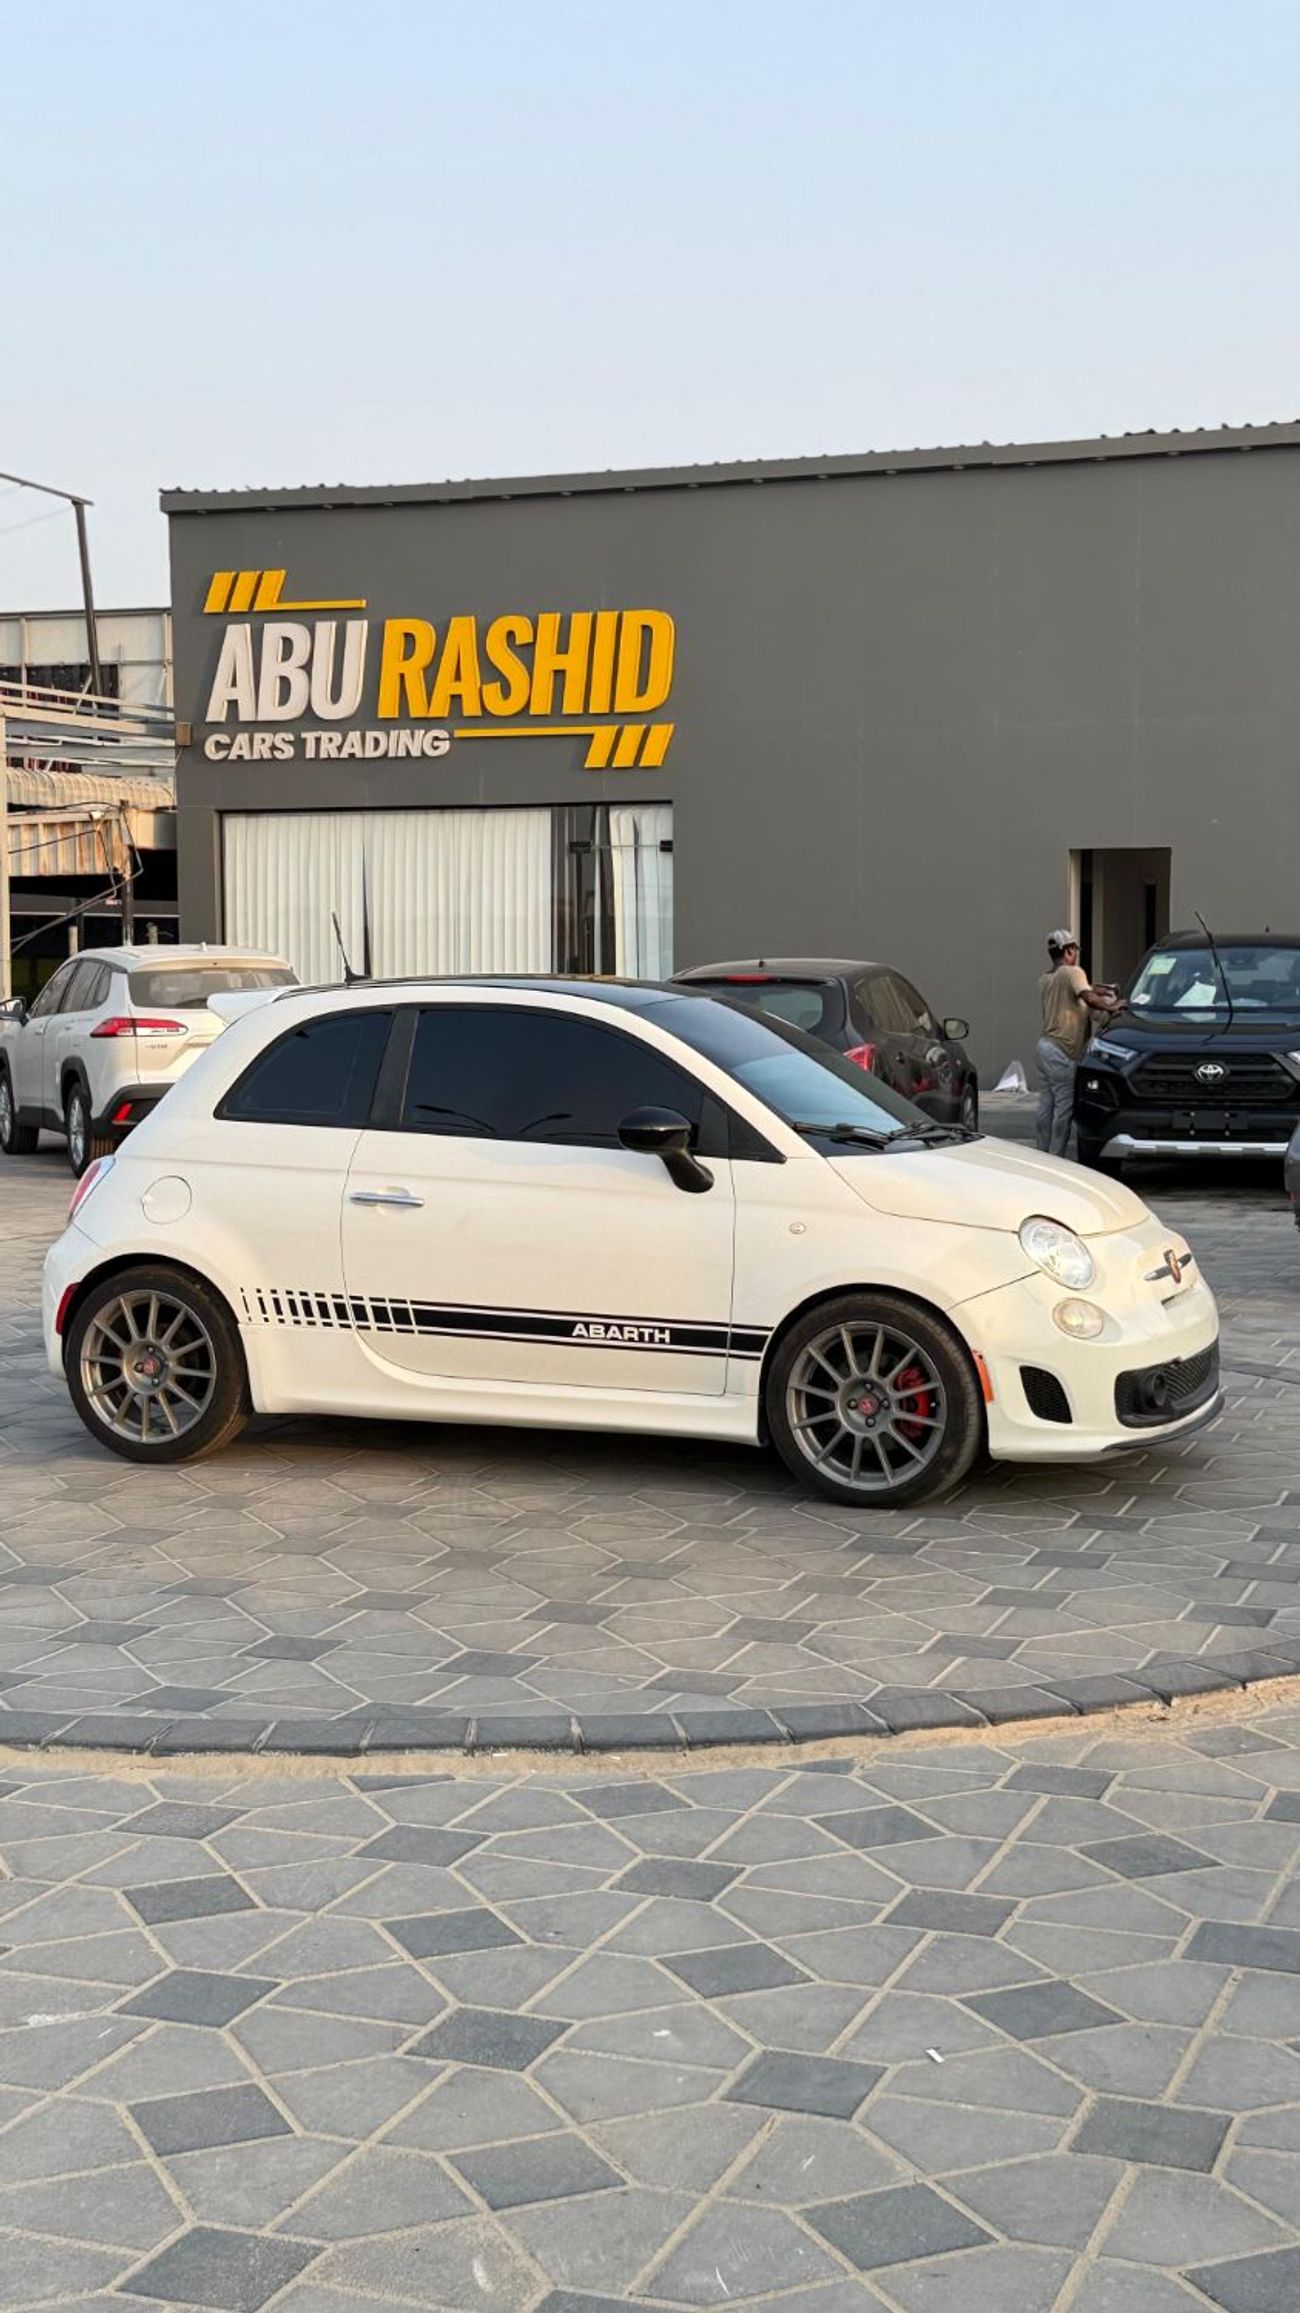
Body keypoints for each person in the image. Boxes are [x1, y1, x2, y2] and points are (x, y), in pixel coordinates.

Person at [1036, 930, 1118, 1156]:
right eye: (1075, 950)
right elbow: (1088, 996)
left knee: (1046, 1105)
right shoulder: (1073, 972)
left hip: (1044, 1047)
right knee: (1064, 1108)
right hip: (1062, 1051)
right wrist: (1112, 1006)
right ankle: (1056, 1159)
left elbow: (1083, 997)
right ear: (1069, 950)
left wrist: (1101, 992)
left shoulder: (1046, 979)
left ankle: (1041, 1154)